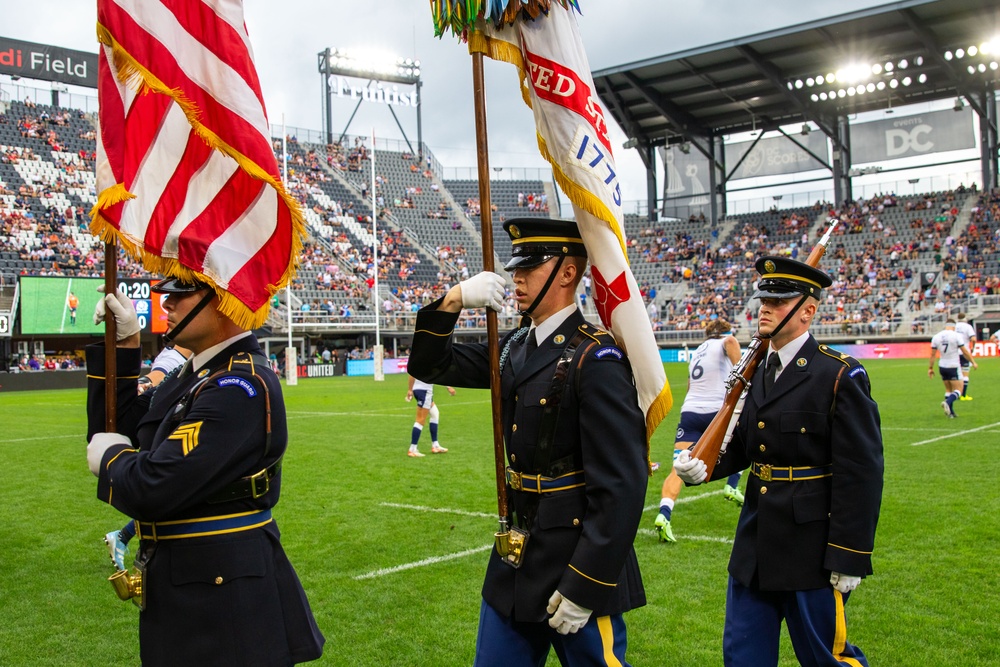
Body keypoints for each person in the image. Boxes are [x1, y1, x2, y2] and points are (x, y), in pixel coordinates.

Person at [408, 219, 648, 666]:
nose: (515, 277)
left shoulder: (596, 357)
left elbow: (623, 485)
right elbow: (429, 364)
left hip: (575, 561)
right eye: (515, 267)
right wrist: (455, 297)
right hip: (516, 555)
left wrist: (586, 584)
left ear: (566, 273)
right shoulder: (513, 346)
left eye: (530, 268)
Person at [87, 278, 324, 666]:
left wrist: (112, 458)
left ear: (226, 300)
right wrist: (124, 346)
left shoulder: (238, 384)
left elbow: (153, 485)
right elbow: (120, 424)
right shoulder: (194, 374)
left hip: (225, 599)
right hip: (190, 581)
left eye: (182, 294)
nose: (168, 302)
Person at [676, 256, 884, 667]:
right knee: (742, 657)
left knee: (828, 658)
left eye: (779, 301)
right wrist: (707, 466)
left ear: (807, 311)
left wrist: (850, 553)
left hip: (811, 549)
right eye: (763, 301)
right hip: (755, 542)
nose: (765, 308)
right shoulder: (756, 369)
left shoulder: (838, 374)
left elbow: (861, 472)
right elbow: (747, 446)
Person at [653, 318, 744, 543]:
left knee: (679, 467)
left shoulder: (698, 351)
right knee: (745, 444)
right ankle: (732, 486)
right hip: (716, 413)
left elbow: (689, 386)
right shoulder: (727, 340)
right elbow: (737, 358)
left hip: (690, 413)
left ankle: (664, 515)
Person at [104, 344, 193, 570]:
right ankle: (124, 537)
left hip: (170, 435)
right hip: (163, 438)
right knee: (171, 494)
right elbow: (157, 375)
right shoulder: (174, 357)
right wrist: (145, 384)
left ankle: (123, 536)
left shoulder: (194, 357)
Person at [929, 319, 977, 418]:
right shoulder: (956, 336)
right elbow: (964, 351)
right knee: (959, 389)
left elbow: (932, 355)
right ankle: (947, 402)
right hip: (953, 365)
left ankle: (951, 413)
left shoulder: (936, 337)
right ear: (954, 326)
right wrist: (973, 362)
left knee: (948, 390)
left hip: (942, 366)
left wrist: (930, 368)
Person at [405, 376, 455, 457]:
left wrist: (410, 389)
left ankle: (435, 445)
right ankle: (412, 449)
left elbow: (411, 374)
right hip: (425, 391)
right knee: (420, 420)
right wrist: (448, 387)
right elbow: (440, 375)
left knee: (435, 413)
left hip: (419, 390)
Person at [954, 313, 977, 400]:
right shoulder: (967, 326)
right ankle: (963, 395)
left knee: (956, 374)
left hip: (954, 353)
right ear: (965, 318)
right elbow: (973, 339)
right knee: (965, 374)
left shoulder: (954, 326)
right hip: (964, 353)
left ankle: (955, 393)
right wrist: (973, 347)